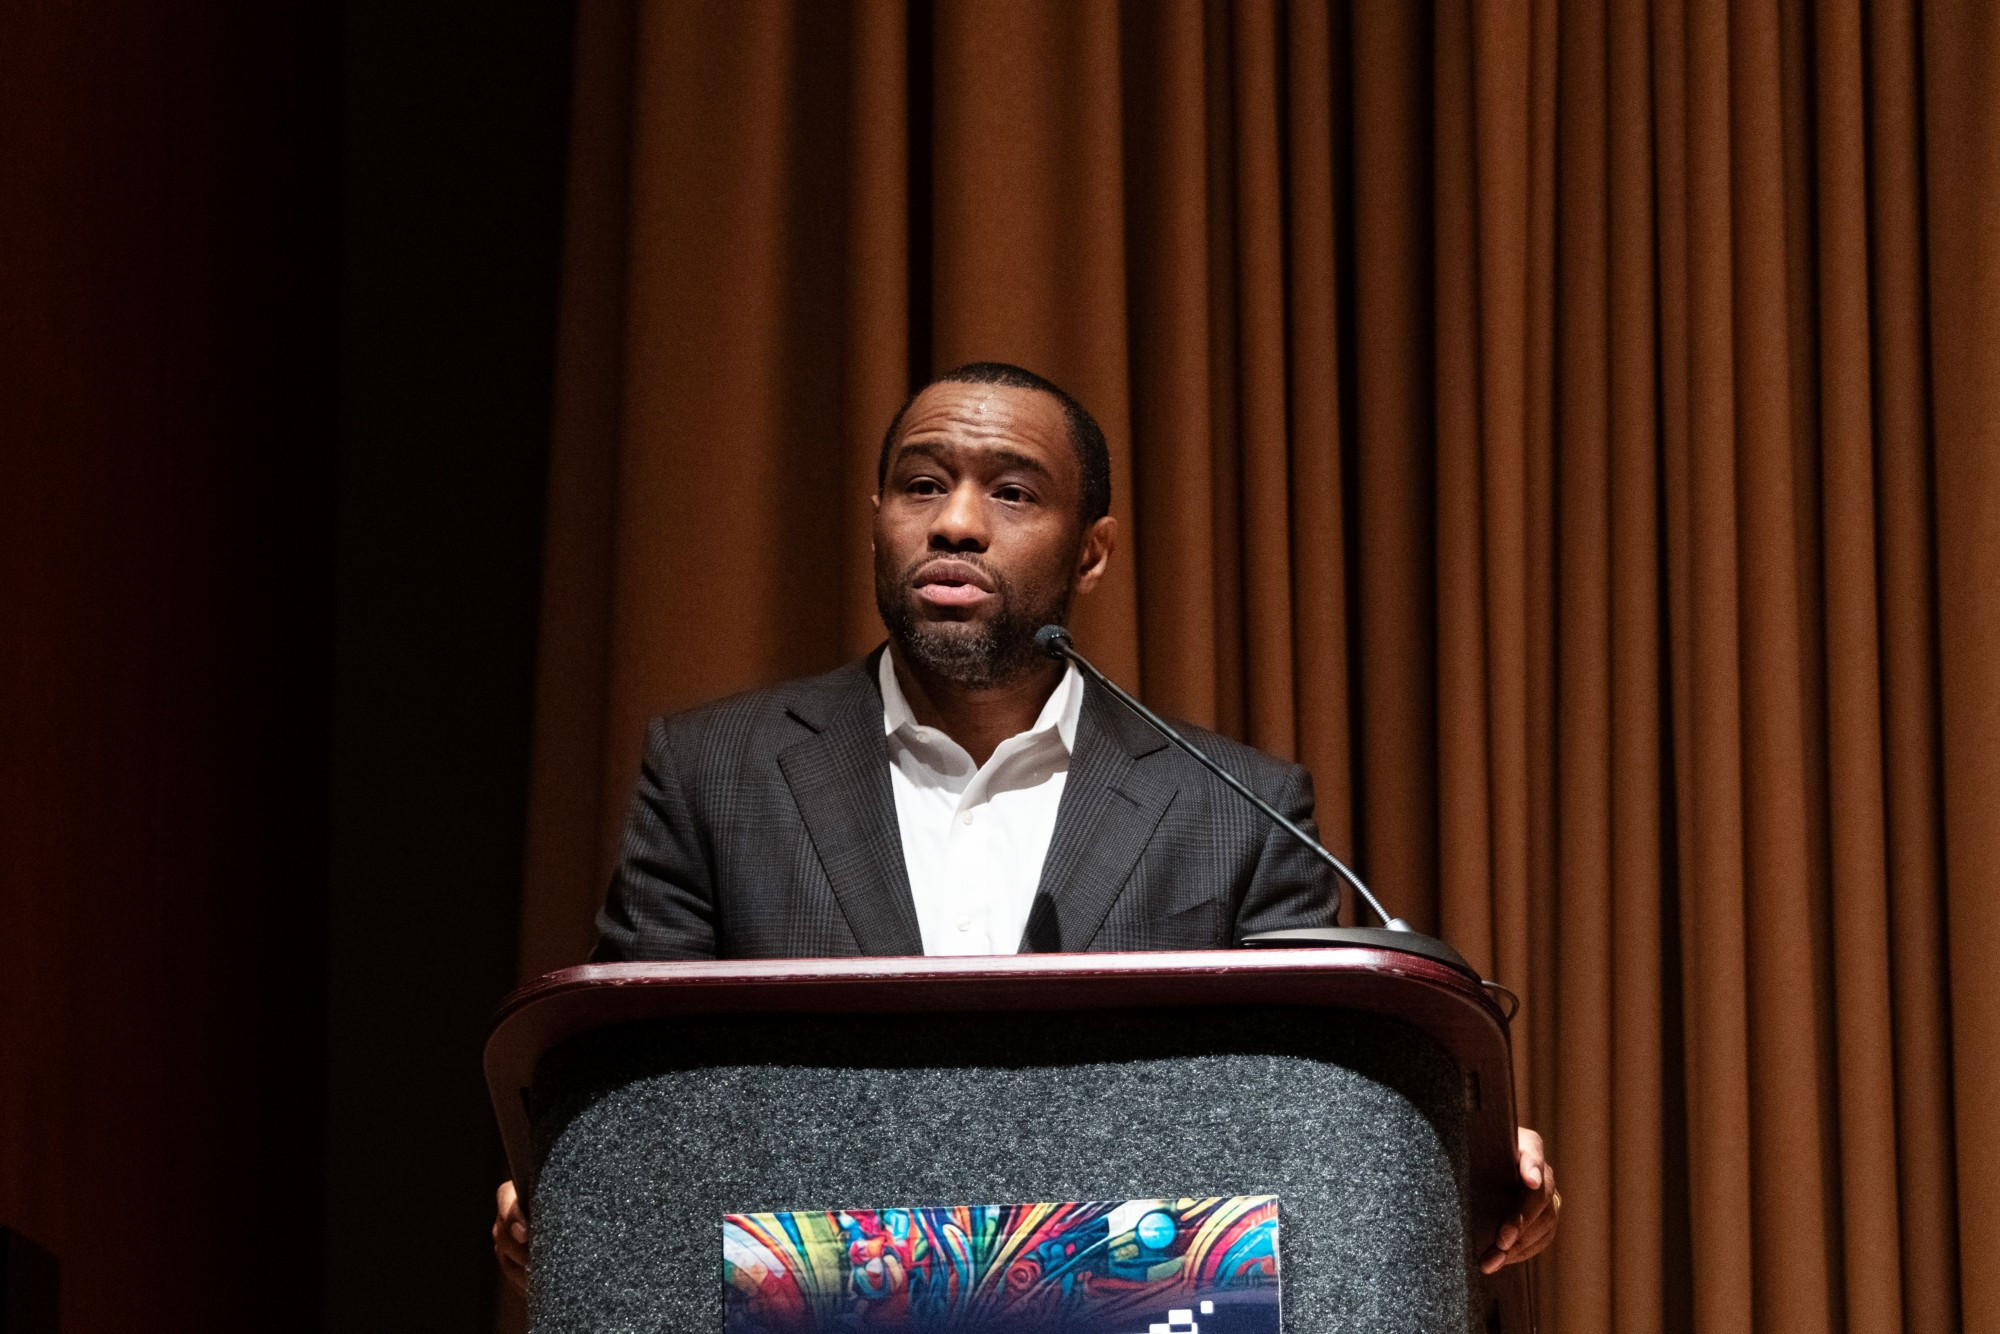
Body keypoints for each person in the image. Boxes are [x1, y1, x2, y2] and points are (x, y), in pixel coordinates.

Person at [493, 362, 1560, 1291]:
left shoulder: (1229, 805)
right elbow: (632, 1082)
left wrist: (1440, 1152)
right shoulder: (712, 773)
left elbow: (1308, 1104)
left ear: (1090, 552)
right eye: (921, 484)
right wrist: (575, 1176)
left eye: (1009, 491)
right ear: (876, 514)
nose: (954, 521)